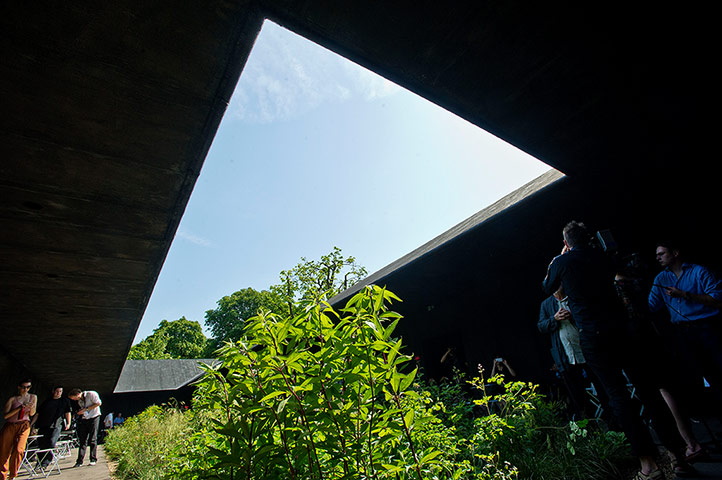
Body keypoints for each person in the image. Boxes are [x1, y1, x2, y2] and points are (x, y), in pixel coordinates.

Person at [543, 221, 691, 480]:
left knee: (618, 397)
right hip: (623, 332)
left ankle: (648, 466)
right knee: (648, 391)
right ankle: (677, 454)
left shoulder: (562, 262)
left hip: (595, 337)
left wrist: (560, 257)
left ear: (566, 242)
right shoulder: (603, 255)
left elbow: (547, 286)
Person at [648, 240, 722, 402]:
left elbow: (716, 299)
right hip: (683, 332)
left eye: (662, 254)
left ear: (675, 253)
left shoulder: (699, 271)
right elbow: (651, 306)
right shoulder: (661, 278)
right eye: (656, 255)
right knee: (703, 373)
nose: (658, 258)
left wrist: (684, 295)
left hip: (707, 327)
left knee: (719, 368)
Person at [538, 288, 596, 419]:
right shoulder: (547, 304)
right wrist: (555, 318)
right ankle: (588, 427)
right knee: (577, 394)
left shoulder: (574, 298)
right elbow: (541, 326)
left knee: (600, 387)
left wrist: (572, 316)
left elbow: (589, 316)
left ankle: (613, 425)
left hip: (586, 351)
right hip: (566, 356)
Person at [0, 379, 37, 480]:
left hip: (24, 424)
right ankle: (3, 475)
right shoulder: (13, 399)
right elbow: (6, 416)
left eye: (28, 387)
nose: (26, 389)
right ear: (19, 387)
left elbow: (32, 413)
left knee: (19, 449)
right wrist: (19, 408)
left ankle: (13, 475)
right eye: (24, 387)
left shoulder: (33, 397)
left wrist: (31, 407)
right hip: (11, 424)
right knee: (4, 450)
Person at [29, 386, 71, 468]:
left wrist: (68, 423)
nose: (58, 393)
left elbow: (67, 412)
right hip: (44, 425)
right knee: (41, 444)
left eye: (60, 391)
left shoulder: (64, 401)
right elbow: (38, 413)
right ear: (53, 391)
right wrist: (31, 424)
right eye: (57, 391)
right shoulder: (47, 401)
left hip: (56, 425)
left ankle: (45, 462)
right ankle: (40, 462)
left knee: (51, 443)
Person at [67, 388, 102, 467]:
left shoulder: (91, 394)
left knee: (93, 438)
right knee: (83, 439)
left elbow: (98, 403)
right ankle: (79, 461)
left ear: (77, 394)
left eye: (73, 398)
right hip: (85, 418)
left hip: (94, 416)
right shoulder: (80, 401)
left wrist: (86, 409)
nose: (74, 400)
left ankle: (93, 459)